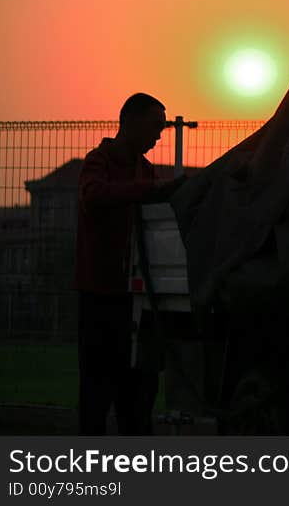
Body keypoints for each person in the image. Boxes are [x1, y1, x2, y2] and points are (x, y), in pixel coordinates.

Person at [73, 93, 186, 435]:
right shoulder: (98, 162)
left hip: (135, 300)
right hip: (100, 295)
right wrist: (149, 189)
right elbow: (94, 195)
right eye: (155, 127)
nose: (159, 136)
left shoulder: (144, 170)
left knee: (138, 391)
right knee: (96, 389)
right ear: (130, 122)